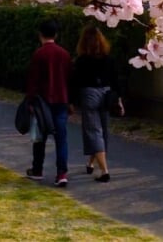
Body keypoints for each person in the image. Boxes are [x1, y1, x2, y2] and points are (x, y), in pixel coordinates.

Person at [72, 25, 124, 183]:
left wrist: (72, 102)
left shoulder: (81, 61)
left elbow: (76, 82)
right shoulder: (109, 59)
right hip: (107, 95)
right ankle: (90, 163)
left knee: (93, 131)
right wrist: (119, 99)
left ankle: (104, 171)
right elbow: (116, 81)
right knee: (102, 131)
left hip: (89, 95)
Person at [25, 19, 72, 187]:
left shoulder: (39, 54)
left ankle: (37, 169)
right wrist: (70, 101)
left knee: (40, 137)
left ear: (40, 34)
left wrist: (30, 101)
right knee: (61, 138)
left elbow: (33, 81)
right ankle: (62, 173)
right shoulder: (64, 54)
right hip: (61, 100)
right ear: (56, 35)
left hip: (42, 102)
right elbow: (69, 79)